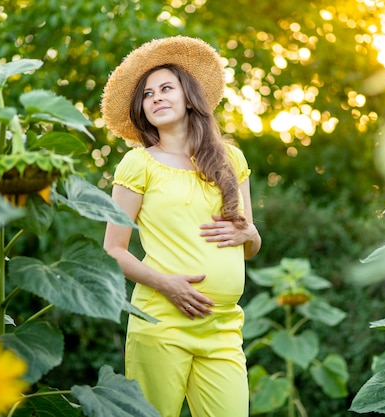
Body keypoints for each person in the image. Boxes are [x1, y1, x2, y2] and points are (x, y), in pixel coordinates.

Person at [100, 35, 261, 417]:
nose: (155, 97)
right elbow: (113, 250)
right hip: (162, 323)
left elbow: (247, 244)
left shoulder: (231, 160)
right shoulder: (138, 165)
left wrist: (252, 234)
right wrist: (167, 285)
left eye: (166, 88)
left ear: (189, 97)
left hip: (223, 328)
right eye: (147, 94)